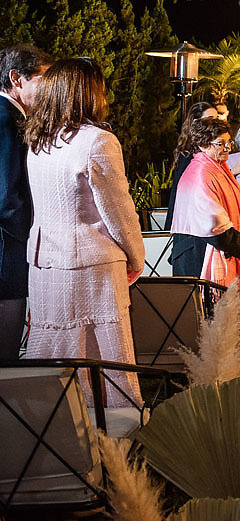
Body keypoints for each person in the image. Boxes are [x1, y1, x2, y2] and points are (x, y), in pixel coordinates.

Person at [24, 58, 144, 406]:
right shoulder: (97, 141)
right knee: (100, 355)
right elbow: (118, 210)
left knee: (54, 350)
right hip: (91, 265)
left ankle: (51, 424)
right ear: (89, 93)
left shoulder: (38, 143)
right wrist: (136, 256)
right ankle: (110, 430)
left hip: (45, 263)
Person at [0, 45, 52, 358]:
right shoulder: (7, 121)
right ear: (17, 78)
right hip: (7, 253)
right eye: (43, 80)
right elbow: (7, 198)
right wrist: (32, 240)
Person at [170, 118, 240, 286]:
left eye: (228, 142)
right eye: (220, 144)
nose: (227, 148)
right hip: (198, 255)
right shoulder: (201, 174)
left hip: (214, 246)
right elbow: (213, 224)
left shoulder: (217, 167)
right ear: (203, 144)